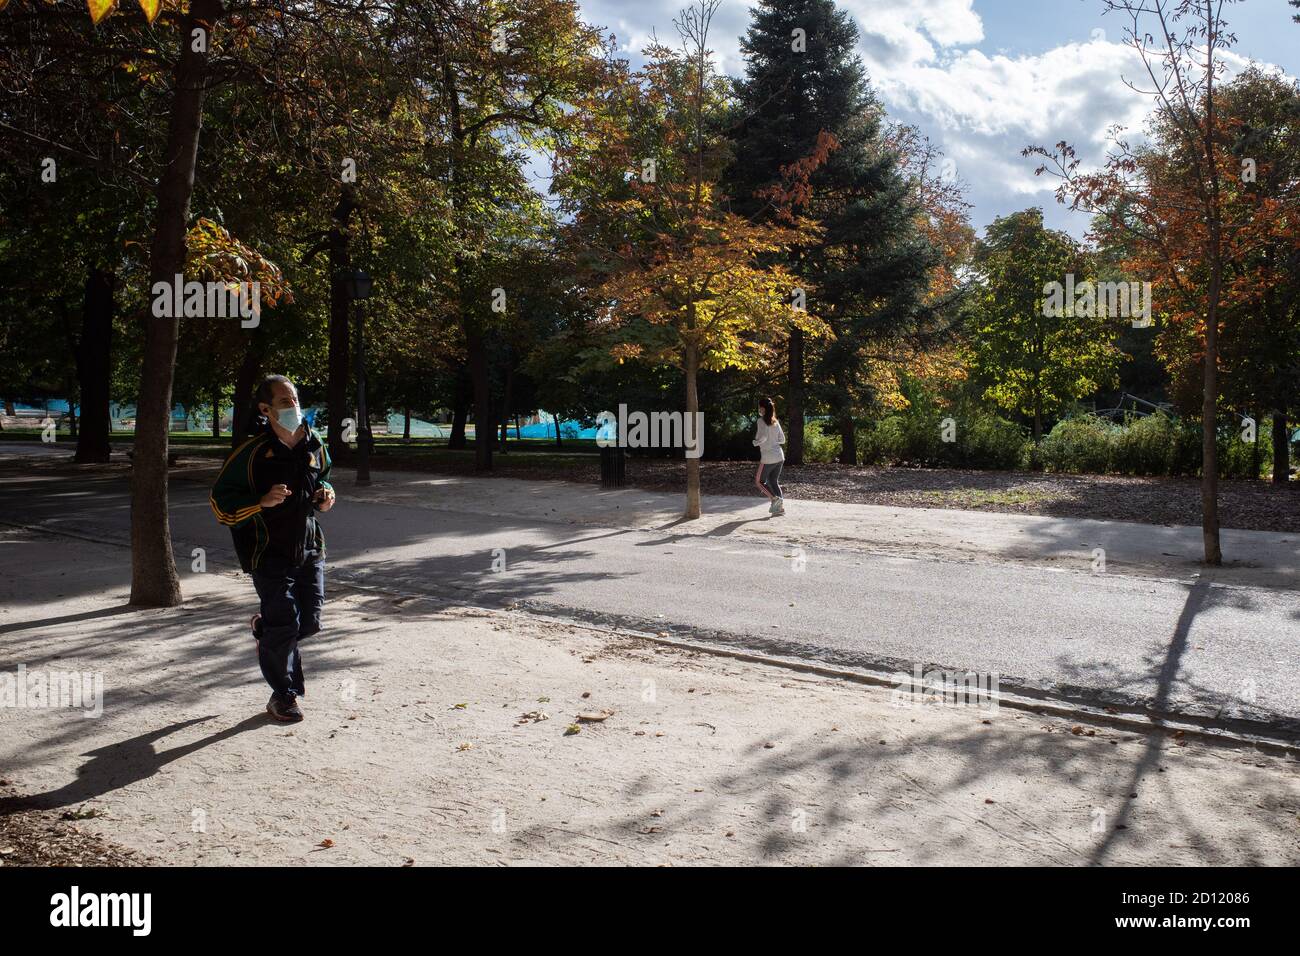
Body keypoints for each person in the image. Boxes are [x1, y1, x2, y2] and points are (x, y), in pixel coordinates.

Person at [209, 375, 336, 722]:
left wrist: (325, 496)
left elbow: (323, 477)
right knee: (286, 626)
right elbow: (220, 504)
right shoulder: (250, 455)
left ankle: (264, 629)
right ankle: (284, 695)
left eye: (294, 398)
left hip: (310, 549)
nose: (294, 406)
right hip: (267, 554)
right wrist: (260, 502)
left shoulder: (314, 443)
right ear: (266, 410)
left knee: (308, 624)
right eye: (284, 401)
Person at [752, 396, 786, 516]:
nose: (759, 410)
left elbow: (761, 439)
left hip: (767, 458)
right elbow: (782, 440)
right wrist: (773, 439)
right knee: (773, 481)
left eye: (759, 407)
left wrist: (755, 442)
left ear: (762, 408)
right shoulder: (775, 421)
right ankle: (780, 509)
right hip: (780, 457)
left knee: (759, 482)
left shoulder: (760, 421)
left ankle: (774, 500)